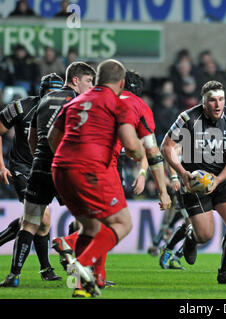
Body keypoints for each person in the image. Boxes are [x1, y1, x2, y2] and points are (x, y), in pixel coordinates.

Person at [52, 70, 171, 293]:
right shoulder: (136, 105)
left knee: (93, 224)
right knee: (118, 223)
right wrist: (162, 190)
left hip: (64, 165)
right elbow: (150, 151)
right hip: (103, 166)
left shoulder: (86, 98)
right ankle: (76, 252)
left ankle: (90, 281)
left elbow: (54, 137)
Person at [0, 62, 95, 287]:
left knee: (37, 221)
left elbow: (33, 137)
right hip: (42, 167)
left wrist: (38, 158)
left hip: (38, 165)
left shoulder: (40, 105)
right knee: (83, 218)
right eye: (89, 81)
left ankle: (29, 272)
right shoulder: (77, 102)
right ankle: (82, 271)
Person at [161, 80, 226, 284]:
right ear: (203, 102)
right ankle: (191, 238)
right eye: (212, 101)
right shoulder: (187, 118)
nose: (217, 105)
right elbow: (166, 147)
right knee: (205, 235)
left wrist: (218, 180)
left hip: (223, 180)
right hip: (194, 183)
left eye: (221, 100)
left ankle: (224, 272)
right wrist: (182, 174)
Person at [0, 73, 64, 285]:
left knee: (41, 223)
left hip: (47, 168)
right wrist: (1, 165)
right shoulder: (21, 107)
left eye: (56, 92)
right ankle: (29, 272)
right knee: (41, 217)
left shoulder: (67, 110)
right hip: (23, 168)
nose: (52, 96)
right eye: (49, 92)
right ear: (41, 92)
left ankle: (45, 268)